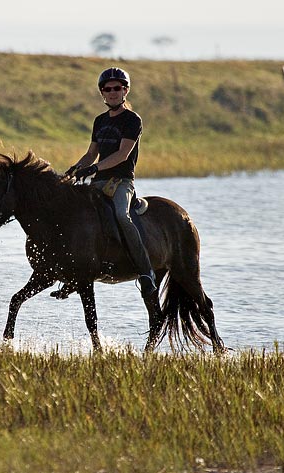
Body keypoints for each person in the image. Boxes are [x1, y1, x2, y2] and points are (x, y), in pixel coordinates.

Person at [66, 67, 158, 304]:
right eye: (108, 89)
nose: (113, 92)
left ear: (125, 90)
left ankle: (146, 272)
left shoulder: (132, 120)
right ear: (102, 93)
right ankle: (72, 272)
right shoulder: (100, 121)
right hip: (98, 182)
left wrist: (95, 168)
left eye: (117, 88)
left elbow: (122, 155)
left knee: (121, 214)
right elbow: (91, 154)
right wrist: (75, 168)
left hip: (121, 182)